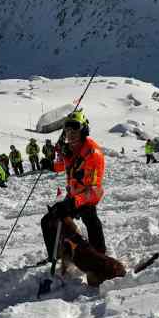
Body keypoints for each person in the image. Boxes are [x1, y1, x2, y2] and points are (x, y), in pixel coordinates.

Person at [41, 109, 107, 261]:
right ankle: (55, 255)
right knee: (48, 221)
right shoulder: (70, 148)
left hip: (86, 198)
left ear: (83, 129)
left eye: (75, 129)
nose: (70, 133)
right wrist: (50, 165)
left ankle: (100, 256)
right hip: (73, 195)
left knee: (90, 219)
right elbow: (63, 166)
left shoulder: (93, 153)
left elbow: (95, 190)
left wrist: (74, 202)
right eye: (67, 130)